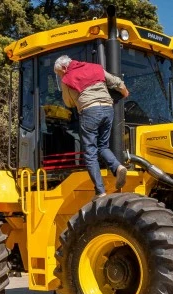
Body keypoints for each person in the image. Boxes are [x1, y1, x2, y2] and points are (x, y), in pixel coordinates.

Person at [54, 55, 129, 197]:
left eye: (60, 73)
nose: (61, 76)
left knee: (90, 153)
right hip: (108, 109)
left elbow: (68, 103)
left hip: (90, 111)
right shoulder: (95, 68)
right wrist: (124, 92)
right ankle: (118, 167)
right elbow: (116, 82)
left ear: (64, 68)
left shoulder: (67, 79)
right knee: (103, 146)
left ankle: (100, 191)